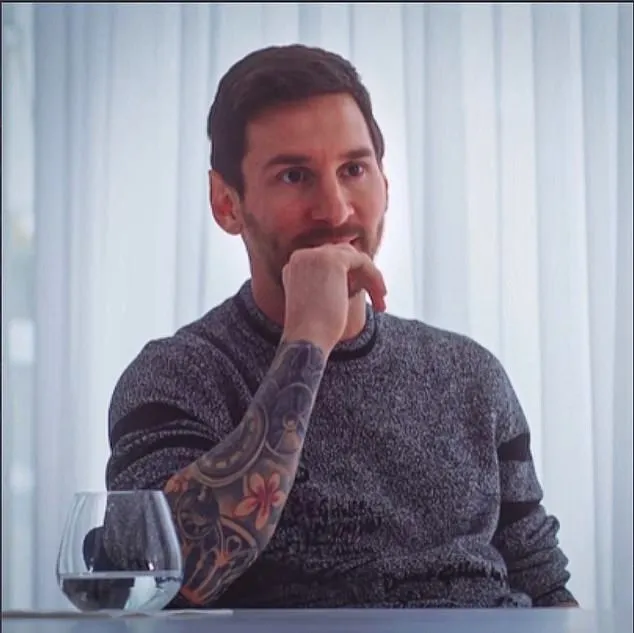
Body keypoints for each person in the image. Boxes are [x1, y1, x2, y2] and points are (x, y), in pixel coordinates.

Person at [105, 44, 578, 609]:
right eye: (293, 176)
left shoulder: (470, 373)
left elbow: (545, 586)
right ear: (226, 203)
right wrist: (306, 342)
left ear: (385, 184)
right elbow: (171, 575)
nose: (334, 210)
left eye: (353, 169)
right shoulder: (178, 376)